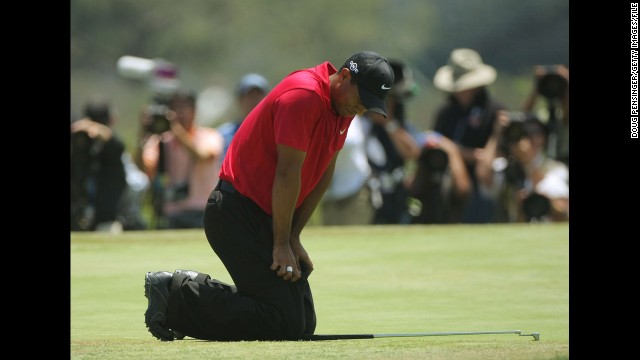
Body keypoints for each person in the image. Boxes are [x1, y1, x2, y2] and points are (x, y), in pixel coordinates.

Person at [143, 51, 395, 341]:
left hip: (266, 215)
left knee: (301, 323)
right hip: (235, 213)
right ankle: (176, 293)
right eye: (362, 100)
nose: (361, 110)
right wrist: (280, 242)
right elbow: (287, 174)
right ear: (345, 76)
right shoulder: (305, 95)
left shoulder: (343, 106)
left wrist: (294, 236)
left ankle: (183, 298)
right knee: (283, 321)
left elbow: (324, 174)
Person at [432, 48, 508, 223]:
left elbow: (498, 155)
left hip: (486, 180)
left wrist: (455, 150)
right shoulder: (446, 111)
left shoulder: (495, 110)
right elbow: (435, 141)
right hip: (448, 178)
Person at [140, 90, 224, 229]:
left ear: (194, 111)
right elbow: (145, 167)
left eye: (184, 108)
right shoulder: (160, 140)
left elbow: (202, 156)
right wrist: (144, 132)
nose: (179, 114)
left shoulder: (209, 135)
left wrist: (176, 129)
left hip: (203, 210)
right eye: (175, 109)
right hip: (172, 213)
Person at [360, 59, 422, 224]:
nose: (392, 104)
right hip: (368, 199)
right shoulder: (360, 125)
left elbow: (412, 152)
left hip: (397, 198)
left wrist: (389, 124)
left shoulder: (398, 125)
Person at [70, 95, 128, 232]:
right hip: (78, 216)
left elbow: (115, 143)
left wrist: (90, 126)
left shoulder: (112, 147)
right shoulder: (80, 146)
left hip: (107, 219)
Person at [407, 131, 472, 224]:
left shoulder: (449, 177)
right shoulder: (422, 175)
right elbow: (411, 191)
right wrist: (421, 157)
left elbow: (463, 189)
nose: (436, 159)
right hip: (421, 223)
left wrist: (452, 151)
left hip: (449, 224)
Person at [320, 114, 373, 225]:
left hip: (355, 189)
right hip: (327, 193)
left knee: (355, 238)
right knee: (329, 237)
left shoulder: (351, 115)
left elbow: (346, 142)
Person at [218, 73, 270, 160]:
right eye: (250, 96)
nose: (255, 100)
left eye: (258, 95)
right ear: (240, 100)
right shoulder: (224, 135)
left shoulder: (275, 134)